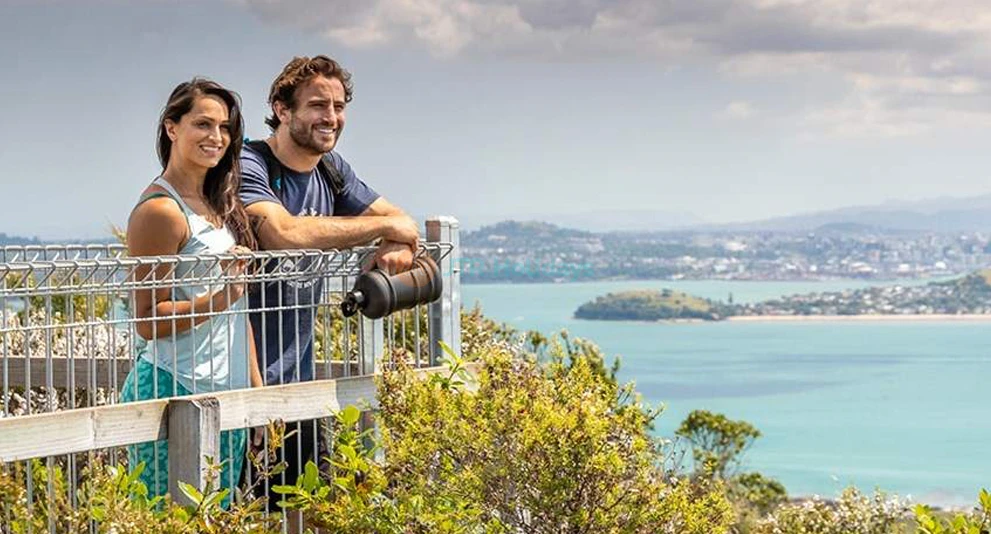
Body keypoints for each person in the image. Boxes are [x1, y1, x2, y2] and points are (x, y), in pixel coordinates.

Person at [238, 55, 418, 505]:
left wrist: (398, 242)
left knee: (310, 511)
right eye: (318, 104)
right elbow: (283, 234)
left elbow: (404, 221)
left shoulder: (331, 170)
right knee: (239, 514)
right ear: (282, 110)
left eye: (339, 106)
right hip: (241, 383)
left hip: (300, 383)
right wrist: (383, 231)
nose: (332, 117)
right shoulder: (247, 163)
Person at [121, 78, 264, 504]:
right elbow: (148, 320)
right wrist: (221, 297)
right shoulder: (160, 211)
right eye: (203, 124)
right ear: (171, 128)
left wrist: (255, 394)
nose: (216, 137)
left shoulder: (220, 204)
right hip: (173, 388)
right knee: (169, 522)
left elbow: (239, 311)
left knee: (216, 518)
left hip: (227, 391)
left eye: (224, 128)